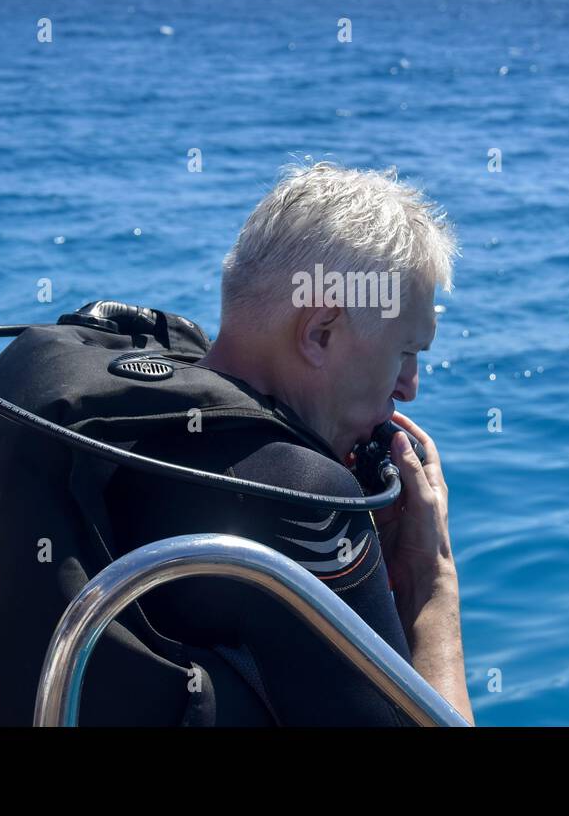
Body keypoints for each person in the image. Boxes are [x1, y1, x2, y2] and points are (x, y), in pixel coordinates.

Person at [103, 160, 473, 725]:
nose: (411, 387)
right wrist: (432, 581)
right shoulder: (304, 495)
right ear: (320, 334)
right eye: (405, 352)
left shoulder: (135, 422)